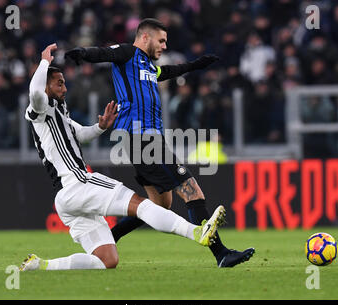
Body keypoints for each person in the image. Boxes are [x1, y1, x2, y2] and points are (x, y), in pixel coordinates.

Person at [65, 18, 255, 268]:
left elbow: (169, 72)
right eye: (161, 40)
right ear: (145, 37)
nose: (164, 46)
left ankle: (109, 238)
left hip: (142, 140)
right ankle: (221, 254)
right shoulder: (128, 53)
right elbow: (103, 52)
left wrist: (196, 65)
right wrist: (83, 53)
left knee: (159, 205)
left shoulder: (148, 67)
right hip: (141, 138)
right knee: (192, 190)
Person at [19, 44, 226, 271]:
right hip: (78, 183)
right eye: (59, 83)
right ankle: (196, 232)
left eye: (65, 83)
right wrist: (44, 62)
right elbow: (35, 93)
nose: (65, 88)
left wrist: (100, 127)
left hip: (65, 199)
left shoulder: (58, 113)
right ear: (46, 84)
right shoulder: (39, 108)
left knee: (107, 260)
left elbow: (79, 134)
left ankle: (41, 265)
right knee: (142, 205)